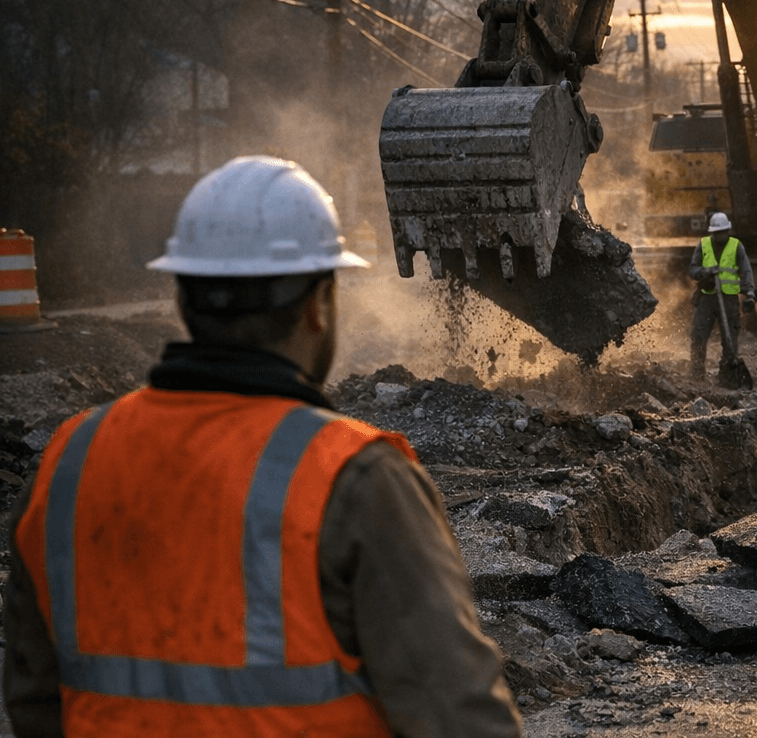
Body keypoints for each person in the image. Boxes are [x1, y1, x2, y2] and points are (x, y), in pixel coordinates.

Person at [3, 156, 523, 737]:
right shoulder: (357, 480)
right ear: (316, 307)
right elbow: (461, 719)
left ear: (182, 301)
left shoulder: (68, 464)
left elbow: (32, 701)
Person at [688, 211, 756, 380]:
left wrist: (750, 293)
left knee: (730, 338)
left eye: (723, 232)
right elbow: (692, 269)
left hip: (729, 300)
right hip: (708, 298)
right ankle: (697, 375)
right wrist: (705, 272)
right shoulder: (703, 245)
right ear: (712, 232)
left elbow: (746, 271)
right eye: (717, 233)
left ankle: (727, 375)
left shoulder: (736, 246)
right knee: (698, 335)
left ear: (728, 231)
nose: (721, 236)